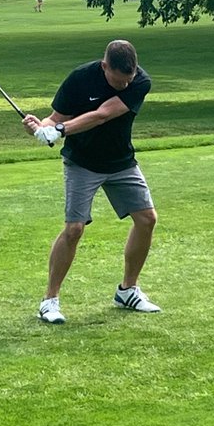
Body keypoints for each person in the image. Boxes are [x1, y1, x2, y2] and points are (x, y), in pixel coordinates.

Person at [22, 39, 160, 324]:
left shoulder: (140, 82)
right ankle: (49, 301)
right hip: (82, 163)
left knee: (147, 219)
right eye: (117, 80)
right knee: (73, 229)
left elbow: (102, 115)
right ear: (104, 65)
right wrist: (39, 128)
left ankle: (127, 291)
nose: (123, 85)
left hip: (121, 162)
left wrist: (59, 130)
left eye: (128, 80)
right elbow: (55, 118)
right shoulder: (80, 78)